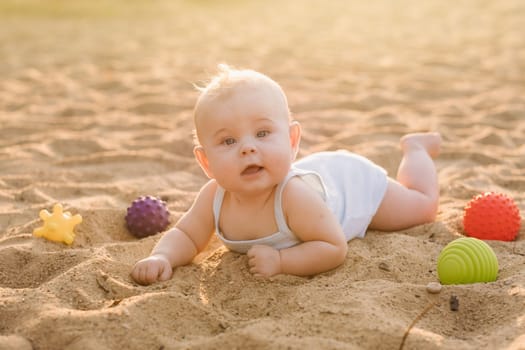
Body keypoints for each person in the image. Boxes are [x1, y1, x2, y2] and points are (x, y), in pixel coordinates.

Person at [131, 64, 442, 285]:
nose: (247, 149)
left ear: (292, 141)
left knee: (423, 207)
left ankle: (416, 150)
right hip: (323, 176)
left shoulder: (293, 196)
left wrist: (282, 262)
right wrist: (163, 258)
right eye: (228, 141)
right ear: (206, 162)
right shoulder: (214, 197)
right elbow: (187, 235)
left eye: (263, 133)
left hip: (350, 187)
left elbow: (333, 248)